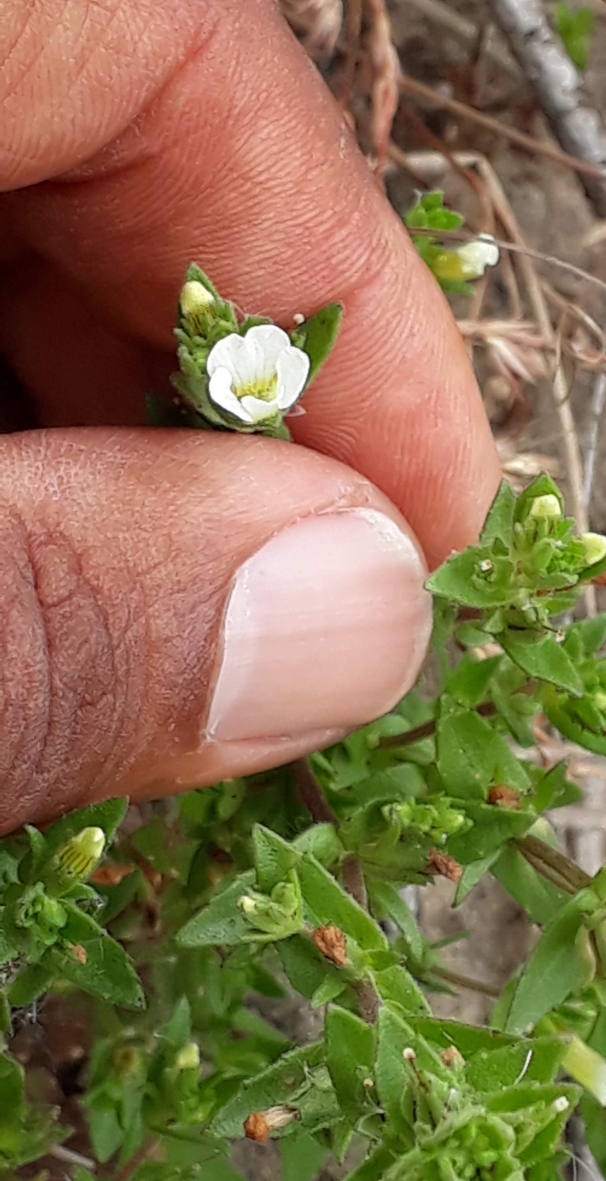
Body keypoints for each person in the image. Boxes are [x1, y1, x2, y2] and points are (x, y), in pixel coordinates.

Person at [0, 0, 500, 834]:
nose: (259, 395)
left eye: (263, 389)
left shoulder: (265, 369)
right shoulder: (242, 364)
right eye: (249, 390)